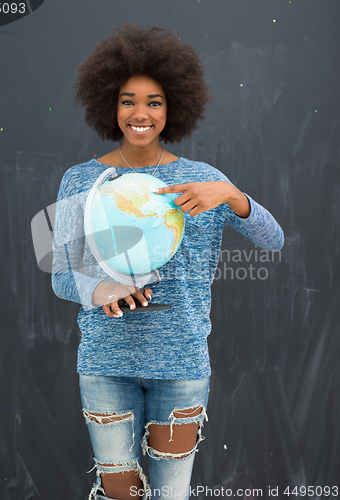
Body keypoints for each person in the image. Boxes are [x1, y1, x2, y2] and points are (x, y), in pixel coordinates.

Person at [51, 24, 284, 500]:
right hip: (104, 364)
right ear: (110, 106)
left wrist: (235, 196)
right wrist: (100, 290)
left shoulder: (202, 179)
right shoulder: (80, 180)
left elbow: (274, 240)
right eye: (128, 100)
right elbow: (60, 275)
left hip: (181, 366)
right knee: (118, 492)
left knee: (172, 495)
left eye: (154, 101)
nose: (140, 113)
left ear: (173, 106)